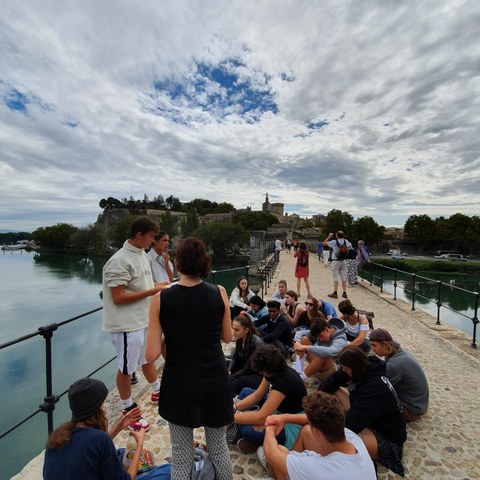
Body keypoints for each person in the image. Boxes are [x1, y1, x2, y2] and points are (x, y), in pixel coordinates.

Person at [145, 237, 233, 480]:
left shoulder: (160, 298)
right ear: (204, 263)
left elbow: (150, 354)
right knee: (219, 449)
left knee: (182, 456)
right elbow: (227, 336)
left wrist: (169, 333)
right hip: (214, 380)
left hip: (179, 385)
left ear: (177, 262)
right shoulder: (220, 292)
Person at [102, 216, 166, 427]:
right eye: (150, 237)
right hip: (126, 325)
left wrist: (159, 285)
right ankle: (127, 408)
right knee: (126, 368)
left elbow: (139, 287)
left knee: (147, 358)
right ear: (139, 235)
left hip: (141, 320)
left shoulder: (139, 255)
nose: (152, 241)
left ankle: (157, 391)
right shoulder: (119, 260)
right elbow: (117, 297)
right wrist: (152, 290)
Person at [43, 377, 156, 480]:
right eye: (102, 403)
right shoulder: (99, 438)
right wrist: (139, 444)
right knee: (166, 471)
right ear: (97, 408)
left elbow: (94, 446)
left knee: (120, 453)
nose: (104, 407)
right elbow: (98, 443)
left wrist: (119, 426)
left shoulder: (56, 438)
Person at [318, 346, 406, 476]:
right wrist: (319, 398)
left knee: (339, 438)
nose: (344, 371)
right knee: (335, 389)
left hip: (387, 438)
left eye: (346, 369)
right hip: (370, 420)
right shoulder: (364, 368)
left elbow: (351, 424)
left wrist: (324, 423)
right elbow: (332, 381)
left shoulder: (375, 388)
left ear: (354, 367)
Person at [262, 391, 377, 480]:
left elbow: (271, 453)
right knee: (306, 431)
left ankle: (283, 468)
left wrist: (270, 427)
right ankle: (291, 463)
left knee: (278, 452)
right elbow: (312, 421)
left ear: (316, 432)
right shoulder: (353, 438)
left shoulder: (319, 469)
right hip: (348, 471)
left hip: (327, 472)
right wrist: (284, 418)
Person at [232, 344, 307, 454]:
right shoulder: (273, 372)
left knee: (246, 430)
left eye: (261, 371)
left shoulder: (284, 380)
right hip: (278, 410)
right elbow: (257, 395)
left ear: (267, 368)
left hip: (290, 422)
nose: (261, 373)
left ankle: (258, 441)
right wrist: (235, 407)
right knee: (245, 392)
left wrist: (229, 417)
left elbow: (261, 417)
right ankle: (255, 439)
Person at [369, 328, 429, 422]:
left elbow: (380, 389)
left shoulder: (394, 364)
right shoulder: (397, 352)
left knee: (371, 403)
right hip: (420, 403)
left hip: (411, 410)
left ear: (385, 345)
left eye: (374, 345)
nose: (372, 349)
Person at [230, 314, 264, 395]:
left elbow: (248, 368)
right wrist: (230, 370)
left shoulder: (256, 343)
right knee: (223, 364)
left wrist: (232, 377)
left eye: (236, 330)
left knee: (233, 383)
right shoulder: (240, 338)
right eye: (233, 329)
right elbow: (235, 357)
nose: (233, 332)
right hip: (245, 369)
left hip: (256, 375)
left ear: (246, 330)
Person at [323, 231, 352, 299]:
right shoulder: (346, 241)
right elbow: (350, 246)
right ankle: (344, 292)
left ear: (337, 236)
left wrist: (329, 237)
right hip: (344, 260)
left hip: (336, 261)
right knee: (343, 277)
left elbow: (324, 243)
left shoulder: (334, 242)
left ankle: (335, 293)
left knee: (336, 277)